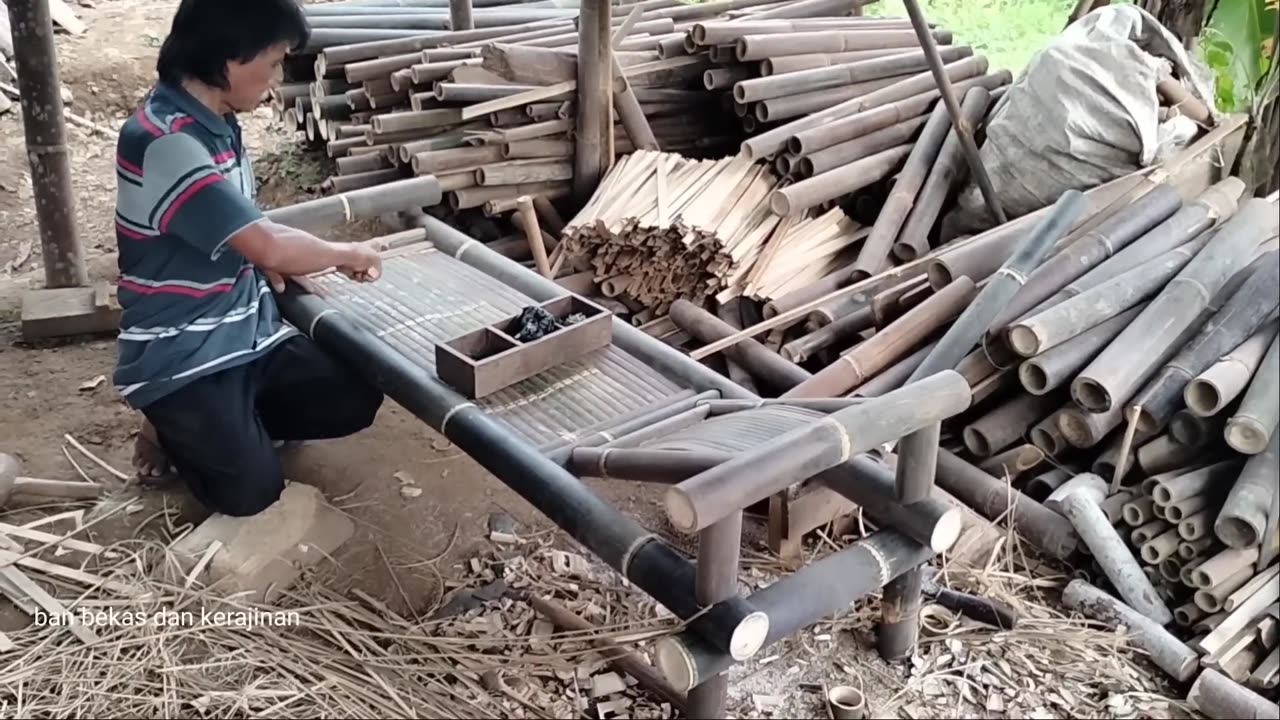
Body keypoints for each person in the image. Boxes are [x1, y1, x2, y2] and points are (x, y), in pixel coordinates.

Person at [114, 0, 385, 517]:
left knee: (354, 395)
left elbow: (248, 231)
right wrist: (344, 252)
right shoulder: (164, 140)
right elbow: (267, 243)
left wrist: (265, 253)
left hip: (244, 328)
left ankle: (227, 428)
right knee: (251, 494)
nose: (278, 75)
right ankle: (170, 425)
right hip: (182, 351)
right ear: (233, 58)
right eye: (276, 59)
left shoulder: (215, 121)